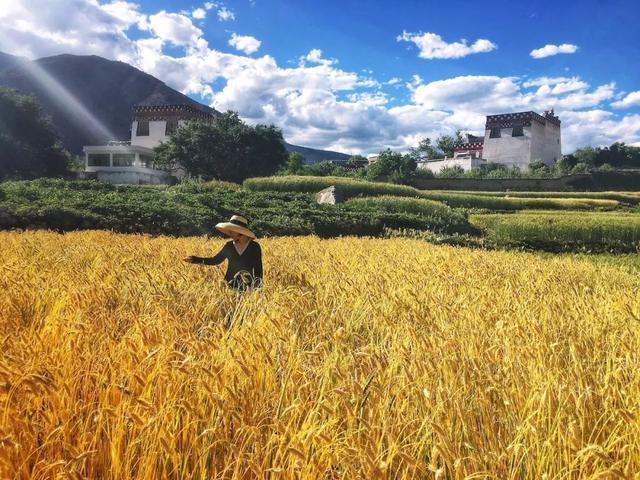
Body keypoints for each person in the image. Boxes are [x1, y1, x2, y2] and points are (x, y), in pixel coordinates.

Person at [184, 214, 263, 291]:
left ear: (240, 233)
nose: (230, 233)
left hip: (248, 285)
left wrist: (257, 287)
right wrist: (195, 259)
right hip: (230, 283)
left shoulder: (254, 247)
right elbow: (215, 260)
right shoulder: (229, 246)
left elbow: (258, 268)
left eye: (232, 231)